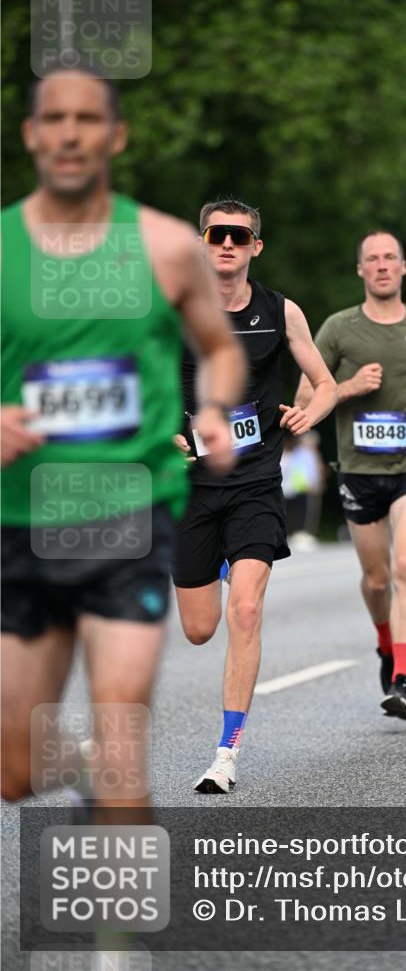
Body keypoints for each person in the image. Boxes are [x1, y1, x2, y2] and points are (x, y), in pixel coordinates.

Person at [1, 68, 246, 816]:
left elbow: (221, 347)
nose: (71, 133)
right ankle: (67, 766)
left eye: (87, 119)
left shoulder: (168, 246)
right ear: (32, 135)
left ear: (116, 135)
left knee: (119, 739)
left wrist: (214, 411)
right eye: (55, 119)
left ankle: (116, 928)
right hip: (21, 522)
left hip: (129, 516)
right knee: (13, 769)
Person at [172, 198, 336, 794]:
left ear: (255, 247)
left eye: (238, 236)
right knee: (197, 629)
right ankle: (220, 564)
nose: (226, 244)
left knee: (246, 609)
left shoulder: (280, 311)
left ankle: (227, 752)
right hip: (193, 486)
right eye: (216, 234)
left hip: (256, 483)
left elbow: (325, 385)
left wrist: (309, 414)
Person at [295, 231, 406, 719]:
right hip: (357, 469)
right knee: (376, 581)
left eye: (389, 258)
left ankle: (402, 680)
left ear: (403, 267)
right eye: (371, 259)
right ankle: (385, 643)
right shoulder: (338, 329)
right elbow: (306, 400)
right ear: (360, 271)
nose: (381, 266)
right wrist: (348, 386)